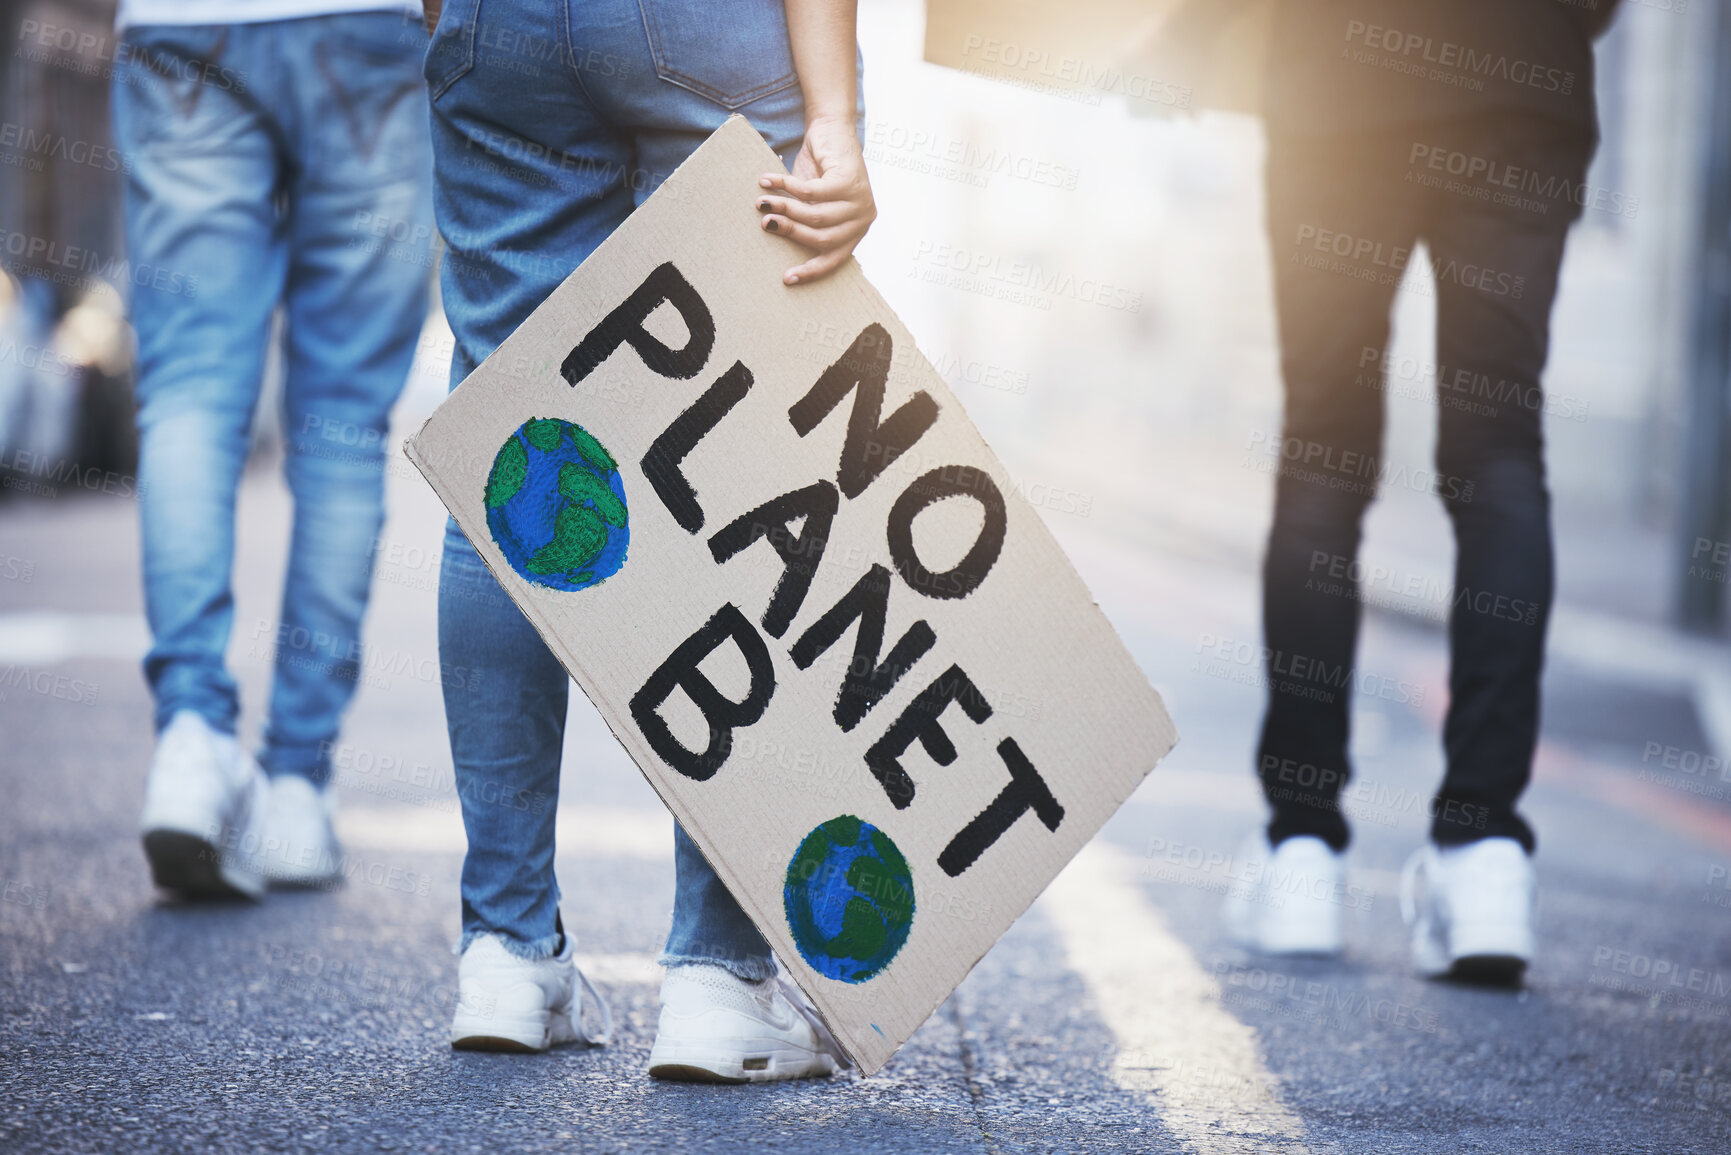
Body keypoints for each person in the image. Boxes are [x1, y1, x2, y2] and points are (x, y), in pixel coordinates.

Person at [421, 0, 875, 1080]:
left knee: (512, 445)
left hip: (502, 31)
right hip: (711, 31)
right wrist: (838, 117)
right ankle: (719, 982)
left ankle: (506, 952)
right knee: (740, 458)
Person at [1223, 0, 1622, 982]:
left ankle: (1302, 855)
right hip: (1521, 71)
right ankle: (1484, 856)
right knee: (1499, 455)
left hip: (1340, 80)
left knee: (1324, 451)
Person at [117, 0, 434, 898]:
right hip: (370, 24)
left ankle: (190, 736)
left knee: (187, 390)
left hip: (179, 24)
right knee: (343, 421)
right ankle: (296, 786)